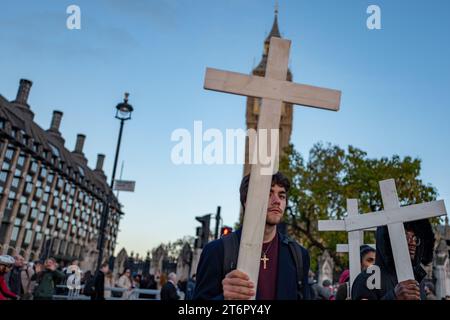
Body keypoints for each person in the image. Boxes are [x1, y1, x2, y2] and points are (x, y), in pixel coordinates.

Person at [193, 172, 311, 300]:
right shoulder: (217, 251)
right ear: (246, 201)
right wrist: (224, 298)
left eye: (281, 196)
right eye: (268, 194)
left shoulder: (298, 255)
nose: (277, 201)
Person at [352, 220, 435, 300]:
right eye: (405, 236)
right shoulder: (366, 279)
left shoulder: (418, 278)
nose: (412, 243)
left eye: (415, 238)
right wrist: (394, 297)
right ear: (387, 239)